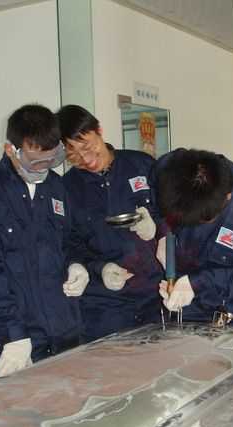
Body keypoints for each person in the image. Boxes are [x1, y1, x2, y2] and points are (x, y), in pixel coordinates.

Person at [0, 104, 88, 377]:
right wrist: (13, 335)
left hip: (66, 329)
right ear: (11, 150)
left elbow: (70, 240)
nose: (43, 169)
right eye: (35, 162)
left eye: (50, 160)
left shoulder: (57, 187)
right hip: (20, 338)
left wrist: (77, 264)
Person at [57, 104, 163, 342]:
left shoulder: (142, 165)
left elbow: (173, 215)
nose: (85, 159)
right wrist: (99, 268)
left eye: (87, 146)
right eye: (73, 155)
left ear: (99, 130)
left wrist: (156, 227)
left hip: (154, 295)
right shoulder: (66, 189)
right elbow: (68, 244)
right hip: (103, 304)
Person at [154, 148, 233, 328]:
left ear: (227, 198)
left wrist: (199, 283)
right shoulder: (169, 168)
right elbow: (154, 195)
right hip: (183, 304)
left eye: (202, 220)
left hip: (230, 312)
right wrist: (162, 232)